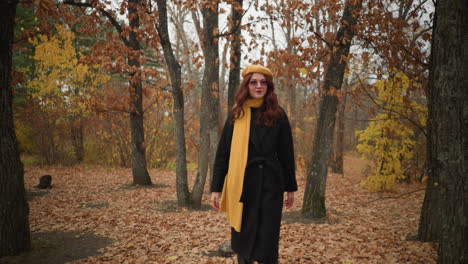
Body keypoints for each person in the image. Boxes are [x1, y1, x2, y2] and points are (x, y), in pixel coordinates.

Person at [210, 65, 298, 264]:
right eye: (254, 82)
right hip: (242, 184)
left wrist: (290, 187)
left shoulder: (278, 114)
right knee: (244, 235)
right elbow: (223, 153)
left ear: (268, 85)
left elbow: (286, 153)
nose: (259, 86)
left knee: (268, 237)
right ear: (246, 85)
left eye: (263, 82)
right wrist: (216, 188)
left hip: (271, 183)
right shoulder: (236, 115)